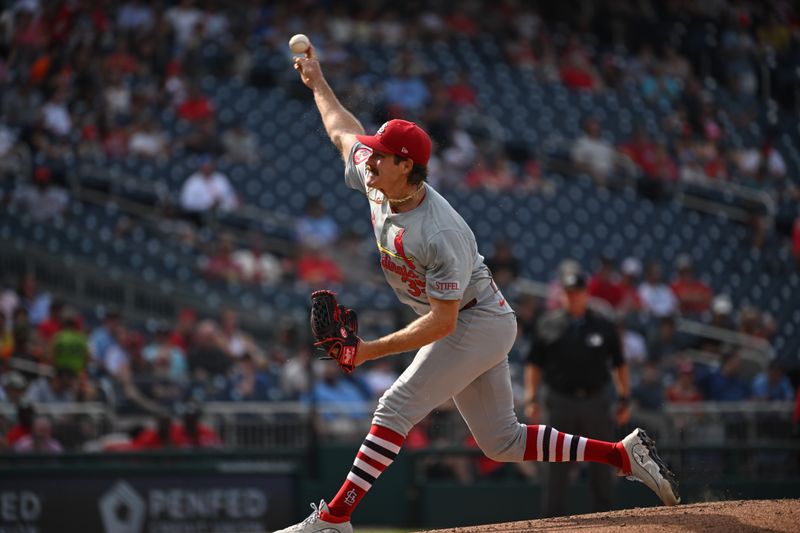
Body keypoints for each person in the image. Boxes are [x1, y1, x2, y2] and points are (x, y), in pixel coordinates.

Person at [275, 41, 679, 533]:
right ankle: (621, 454)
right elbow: (342, 131)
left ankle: (336, 519)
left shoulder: (441, 232)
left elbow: (445, 322)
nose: (371, 159)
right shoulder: (378, 175)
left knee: (395, 407)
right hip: (467, 316)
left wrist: (368, 352)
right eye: (375, 153)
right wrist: (317, 81)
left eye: (382, 156)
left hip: (474, 317)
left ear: (407, 166)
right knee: (501, 442)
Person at [524, 271, 632, 516]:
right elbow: (534, 365)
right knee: (555, 465)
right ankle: (554, 519)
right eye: (569, 293)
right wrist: (532, 398)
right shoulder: (548, 323)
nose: (573, 298)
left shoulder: (603, 325)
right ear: (563, 295)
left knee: (603, 461)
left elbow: (619, 363)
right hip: (560, 401)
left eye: (577, 293)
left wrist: (624, 397)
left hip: (596, 400)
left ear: (586, 294)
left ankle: (606, 517)